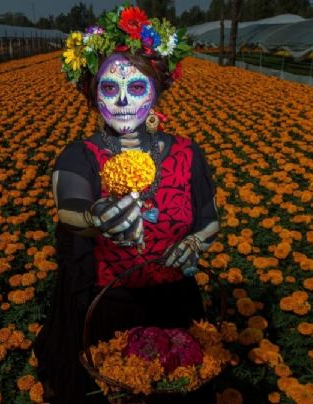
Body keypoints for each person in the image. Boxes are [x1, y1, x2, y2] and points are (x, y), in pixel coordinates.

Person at [33, 5, 220, 403]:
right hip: (107, 312)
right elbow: (69, 206)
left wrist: (196, 243)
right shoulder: (80, 156)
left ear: (157, 90)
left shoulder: (188, 153)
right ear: (91, 92)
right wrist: (95, 217)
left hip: (174, 308)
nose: (122, 100)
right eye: (109, 88)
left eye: (136, 87)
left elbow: (209, 218)